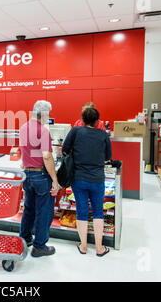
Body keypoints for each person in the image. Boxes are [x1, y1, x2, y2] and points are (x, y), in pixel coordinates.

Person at [62, 107, 112, 257]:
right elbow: (107, 157)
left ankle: (83, 246)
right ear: (98, 121)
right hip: (97, 179)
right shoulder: (103, 135)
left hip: (78, 179)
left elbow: (65, 149)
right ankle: (99, 248)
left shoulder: (75, 131)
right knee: (98, 212)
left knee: (82, 211)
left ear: (82, 119)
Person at [19, 100, 60, 258]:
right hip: (41, 176)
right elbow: (47, 157)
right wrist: (54, 181)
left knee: (29, 209)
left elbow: (25, 151)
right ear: (44, 114)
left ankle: (25, 238)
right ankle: (39, 247)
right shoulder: (43, 131)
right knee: (44, 212)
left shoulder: (23, 128)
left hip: (27, 176)